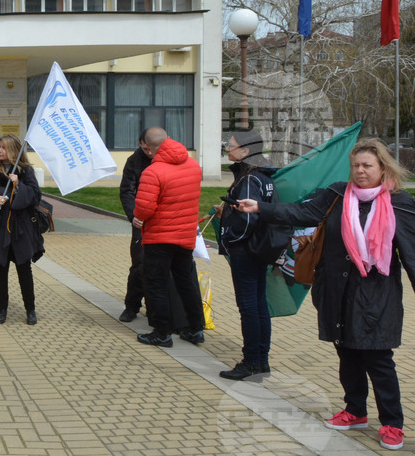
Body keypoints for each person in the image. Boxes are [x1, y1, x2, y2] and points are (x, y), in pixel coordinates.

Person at [237, 139, 415, 451]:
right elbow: (301, 213)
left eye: (367, 166)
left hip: (377, 293)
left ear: (382, 167)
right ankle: (355, 411)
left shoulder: (399, 202)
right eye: (355, 166)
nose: (359, 171)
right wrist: (261, 208)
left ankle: (392, 423)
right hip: (336, 289)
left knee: (377, 357)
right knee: (346, 352)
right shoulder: (336, 194)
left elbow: (412, 254)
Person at [133, 135, 205, 348]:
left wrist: (139, 217)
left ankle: (162, 332)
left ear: (147, 147)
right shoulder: (193, 165)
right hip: (185, 235)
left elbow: (144, 208)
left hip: (160, 237)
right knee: (186, 282)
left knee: (157, 284)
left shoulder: (153, 171)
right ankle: (195, 328)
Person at [216, 129, 277, 381]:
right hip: (259, 249)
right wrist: (227, 213)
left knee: (249, 307)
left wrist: (230, 238)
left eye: (230, 146)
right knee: (259, 305)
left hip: (246, 251)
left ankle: (251, 361)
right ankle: (261, 360)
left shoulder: (249, 179)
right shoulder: (263, 175)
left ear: (245, 151)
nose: (226, 149)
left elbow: (247, 219)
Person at [0, 135, 42, 326]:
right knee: (0, 269)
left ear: (13, 150)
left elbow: (35, 195)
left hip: (21, 229)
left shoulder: (25, 171)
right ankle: (2, 308)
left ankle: (30, 309)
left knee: (24, 269)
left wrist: (18, 185)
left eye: (3, 147)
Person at [118, 128, 157, 322]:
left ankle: (155, 307)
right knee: (139, 265)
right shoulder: (134, 161)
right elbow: (127, 191)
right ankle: (132, 306)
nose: (149, 152)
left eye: (152, 148)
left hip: (162, 222)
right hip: (140, 221)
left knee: (161, 267)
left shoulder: (167, 159)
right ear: (141, 144)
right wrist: (134, 215)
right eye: (145, 148)